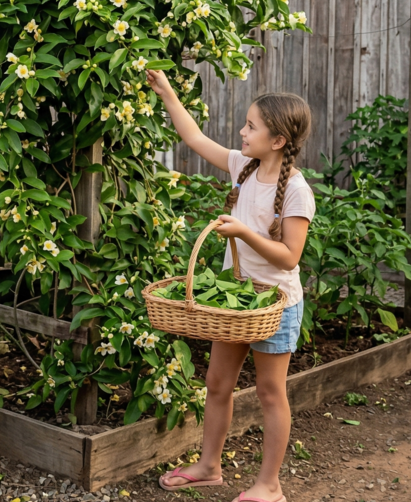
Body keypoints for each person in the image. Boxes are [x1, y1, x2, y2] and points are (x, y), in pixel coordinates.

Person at [147, 70, 315, 502]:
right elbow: (196, 139)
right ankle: (209, 465)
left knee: (269, 393)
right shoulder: (243, 167)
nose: (242, 132)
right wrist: (167, 94)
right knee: (218, 384)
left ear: (277, 140)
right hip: (237, 303)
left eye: (251, 126)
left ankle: (270, 485)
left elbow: (289, 256)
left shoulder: (297, 191)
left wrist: (244, 233)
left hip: (274, 306)